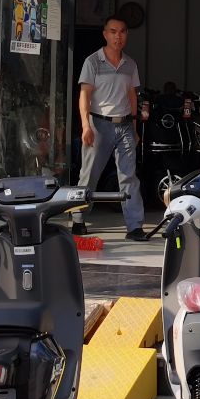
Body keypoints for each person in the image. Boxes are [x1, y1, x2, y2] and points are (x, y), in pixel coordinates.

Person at [77, 15, 147, 240]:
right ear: (105, 34)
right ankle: (78, 219)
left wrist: (134, 127)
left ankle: (134, 227)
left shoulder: (130, 64)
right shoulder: (93, 62)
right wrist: (85, 126)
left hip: (125, 125)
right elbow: (85, 95)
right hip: (99, 124)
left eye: (122, 32)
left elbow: (132, 96)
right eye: (113, 32)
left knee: (129, 176)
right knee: (89, 175)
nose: (118, 36)